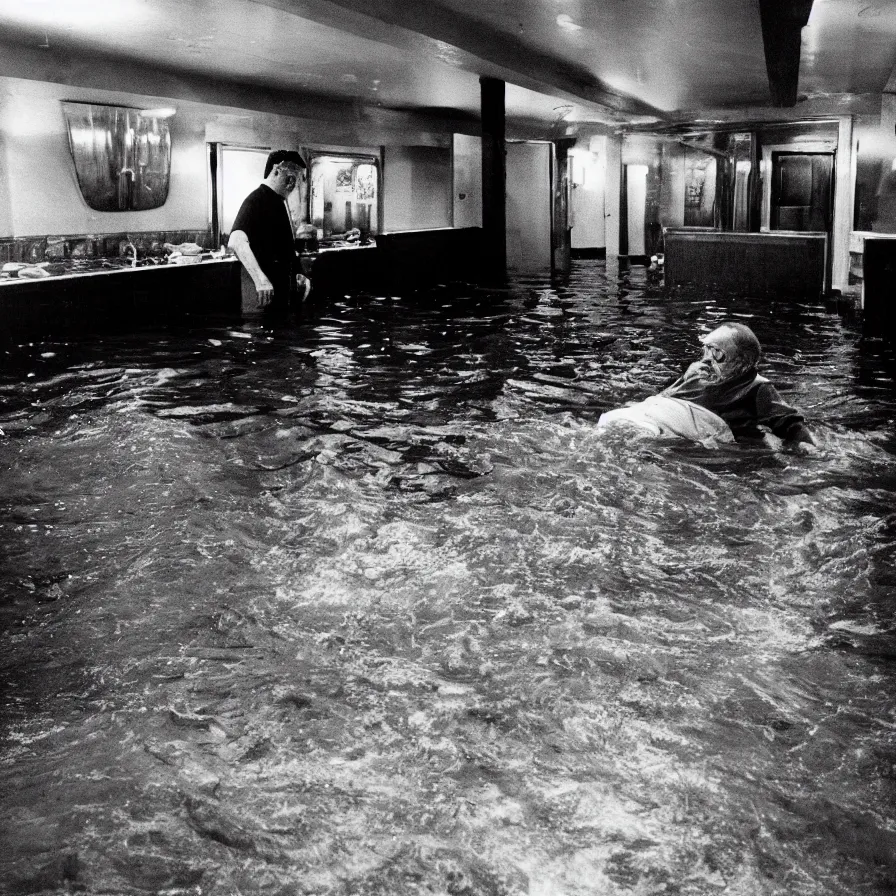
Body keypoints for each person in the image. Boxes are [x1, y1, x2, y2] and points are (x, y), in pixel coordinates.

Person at [661, 322, 816, 450]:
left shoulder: (756, 387)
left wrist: (806, 446)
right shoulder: (696, 375)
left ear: (742, 362)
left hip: (728, 450)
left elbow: (791, 424)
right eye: (705, 350)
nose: (706, 359)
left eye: (716, 352)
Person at [228, 149, 310, 315]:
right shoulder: (256, 200)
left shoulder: (279, 202)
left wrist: (299, 273)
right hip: (263, 297)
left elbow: (285, 248)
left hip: (279, 296)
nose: (294, 183)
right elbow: (235, 241)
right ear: (277, 170)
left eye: (298, 177)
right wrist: (260, 280)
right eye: (291, 174)